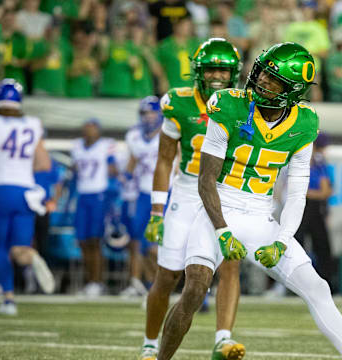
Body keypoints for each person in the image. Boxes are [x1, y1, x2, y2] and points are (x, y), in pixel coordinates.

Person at [156, 42, 342, 360]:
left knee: (318, 288)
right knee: (196, 287)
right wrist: (222, 231)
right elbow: (205, 182)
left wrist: (282, 241)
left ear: (292, 90)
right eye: (262, 73)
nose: (261, 81)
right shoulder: (229, 105)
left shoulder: (304, 123)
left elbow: (298, 192)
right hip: (219, 208)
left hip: (261, 217)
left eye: (273, 79)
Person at [143, 38, 244, 360]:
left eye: (224, 70)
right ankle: (149, 342)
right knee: (168, 275)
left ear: (235, 73)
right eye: (212, 68)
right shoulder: (178, 102)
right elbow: (163, 159)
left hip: (226, 190)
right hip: (187, 191)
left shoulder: (243, 103)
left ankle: (223, 339)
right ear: (198, 71)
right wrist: (157, 209)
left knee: (229, 265)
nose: (218, 75)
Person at [0, 78, 55, 315]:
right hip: (26, 191)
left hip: (1, 188)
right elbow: (44, 163)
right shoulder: (32, 124)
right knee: (20, 248)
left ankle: (9, 299)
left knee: (0, 246)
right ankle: (32, 255)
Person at [121, 96, 163, 297]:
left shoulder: (169, 132)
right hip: (142, 194)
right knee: (139, 242)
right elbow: (133, 161)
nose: (148, 117)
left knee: (158, 246)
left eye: (152, 112)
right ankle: (144, 283)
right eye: (145, 113)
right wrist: (125, 179)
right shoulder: (134, 136)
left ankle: (162, 285)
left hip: (164, 193)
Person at [71, 118, 117, 297]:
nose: (88, 131)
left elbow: (114, 169)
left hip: (99, 195)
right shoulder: (76, 146)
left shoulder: (106, 145)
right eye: (86, 127)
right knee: (82, 241)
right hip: (82, 195)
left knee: (95, 240)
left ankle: (97, 282)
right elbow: (75, 169)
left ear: (98, 130)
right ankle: (89, 281)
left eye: (92, 128)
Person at [295, 132, 334, 289]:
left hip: (310, 206)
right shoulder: (312, 161)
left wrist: (302, 193)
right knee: (302, 244)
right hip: (307, 206)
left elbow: (325, 191)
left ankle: (323, 282)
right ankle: (301, 283)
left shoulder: (317, 163)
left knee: (317, 245)